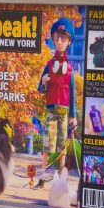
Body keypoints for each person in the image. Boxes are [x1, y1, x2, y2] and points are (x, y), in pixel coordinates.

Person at [38, 17, 78, 171]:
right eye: (57, 38)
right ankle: (43, 170)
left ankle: (62, 172)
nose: (60, 41)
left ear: (69, 42)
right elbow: (40, 89)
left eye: (64, 38)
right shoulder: (49, 65)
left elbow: (72, 94)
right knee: (48, 141)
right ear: (53, 40)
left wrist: (73, 116)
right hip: (51, 108)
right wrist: (43, 82)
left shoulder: (70, 68)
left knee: (63, 142)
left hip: (65, 110)